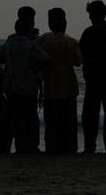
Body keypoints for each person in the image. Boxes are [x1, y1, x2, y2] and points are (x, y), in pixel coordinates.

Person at [0, 19, 48, 154]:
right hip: (28, 86)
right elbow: (44, 58)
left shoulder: (9, 44)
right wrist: (35, 68)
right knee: (30, 118)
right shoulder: (30, 45)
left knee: (14, 118)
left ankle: (12, 146)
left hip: (12, 86)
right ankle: (29, 146)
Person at [37, 8, 84, 154]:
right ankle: (69, 147)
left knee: (51, 120)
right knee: (69, 120)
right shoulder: (71, 41)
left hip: (51, 85)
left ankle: (52, 147)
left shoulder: (43, 41)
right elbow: (78, 62)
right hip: (69, 85)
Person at [79, 0, 106, 153]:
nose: (90, 17)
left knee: (90, 115)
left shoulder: (89, 32)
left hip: (93, 78)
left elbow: (81, 54)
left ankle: (90, 146)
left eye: (90, 14)